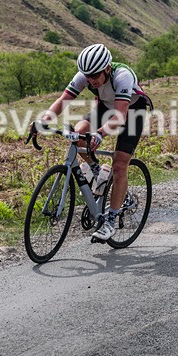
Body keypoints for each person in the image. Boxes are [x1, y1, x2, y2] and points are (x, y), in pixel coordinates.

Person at [37, 44, 151, 241]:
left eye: (95, 76)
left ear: (107, 68)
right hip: (106, 107)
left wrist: (99, 134)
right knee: (78, 135)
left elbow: (120, 116)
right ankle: (97, 172)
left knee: (119, 164)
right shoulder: (85, 75)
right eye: (87, 76)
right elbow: (63, 99)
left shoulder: (122, 75)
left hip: (131, 111)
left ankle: (111, 220)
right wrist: (43, 121)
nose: (91, 80)